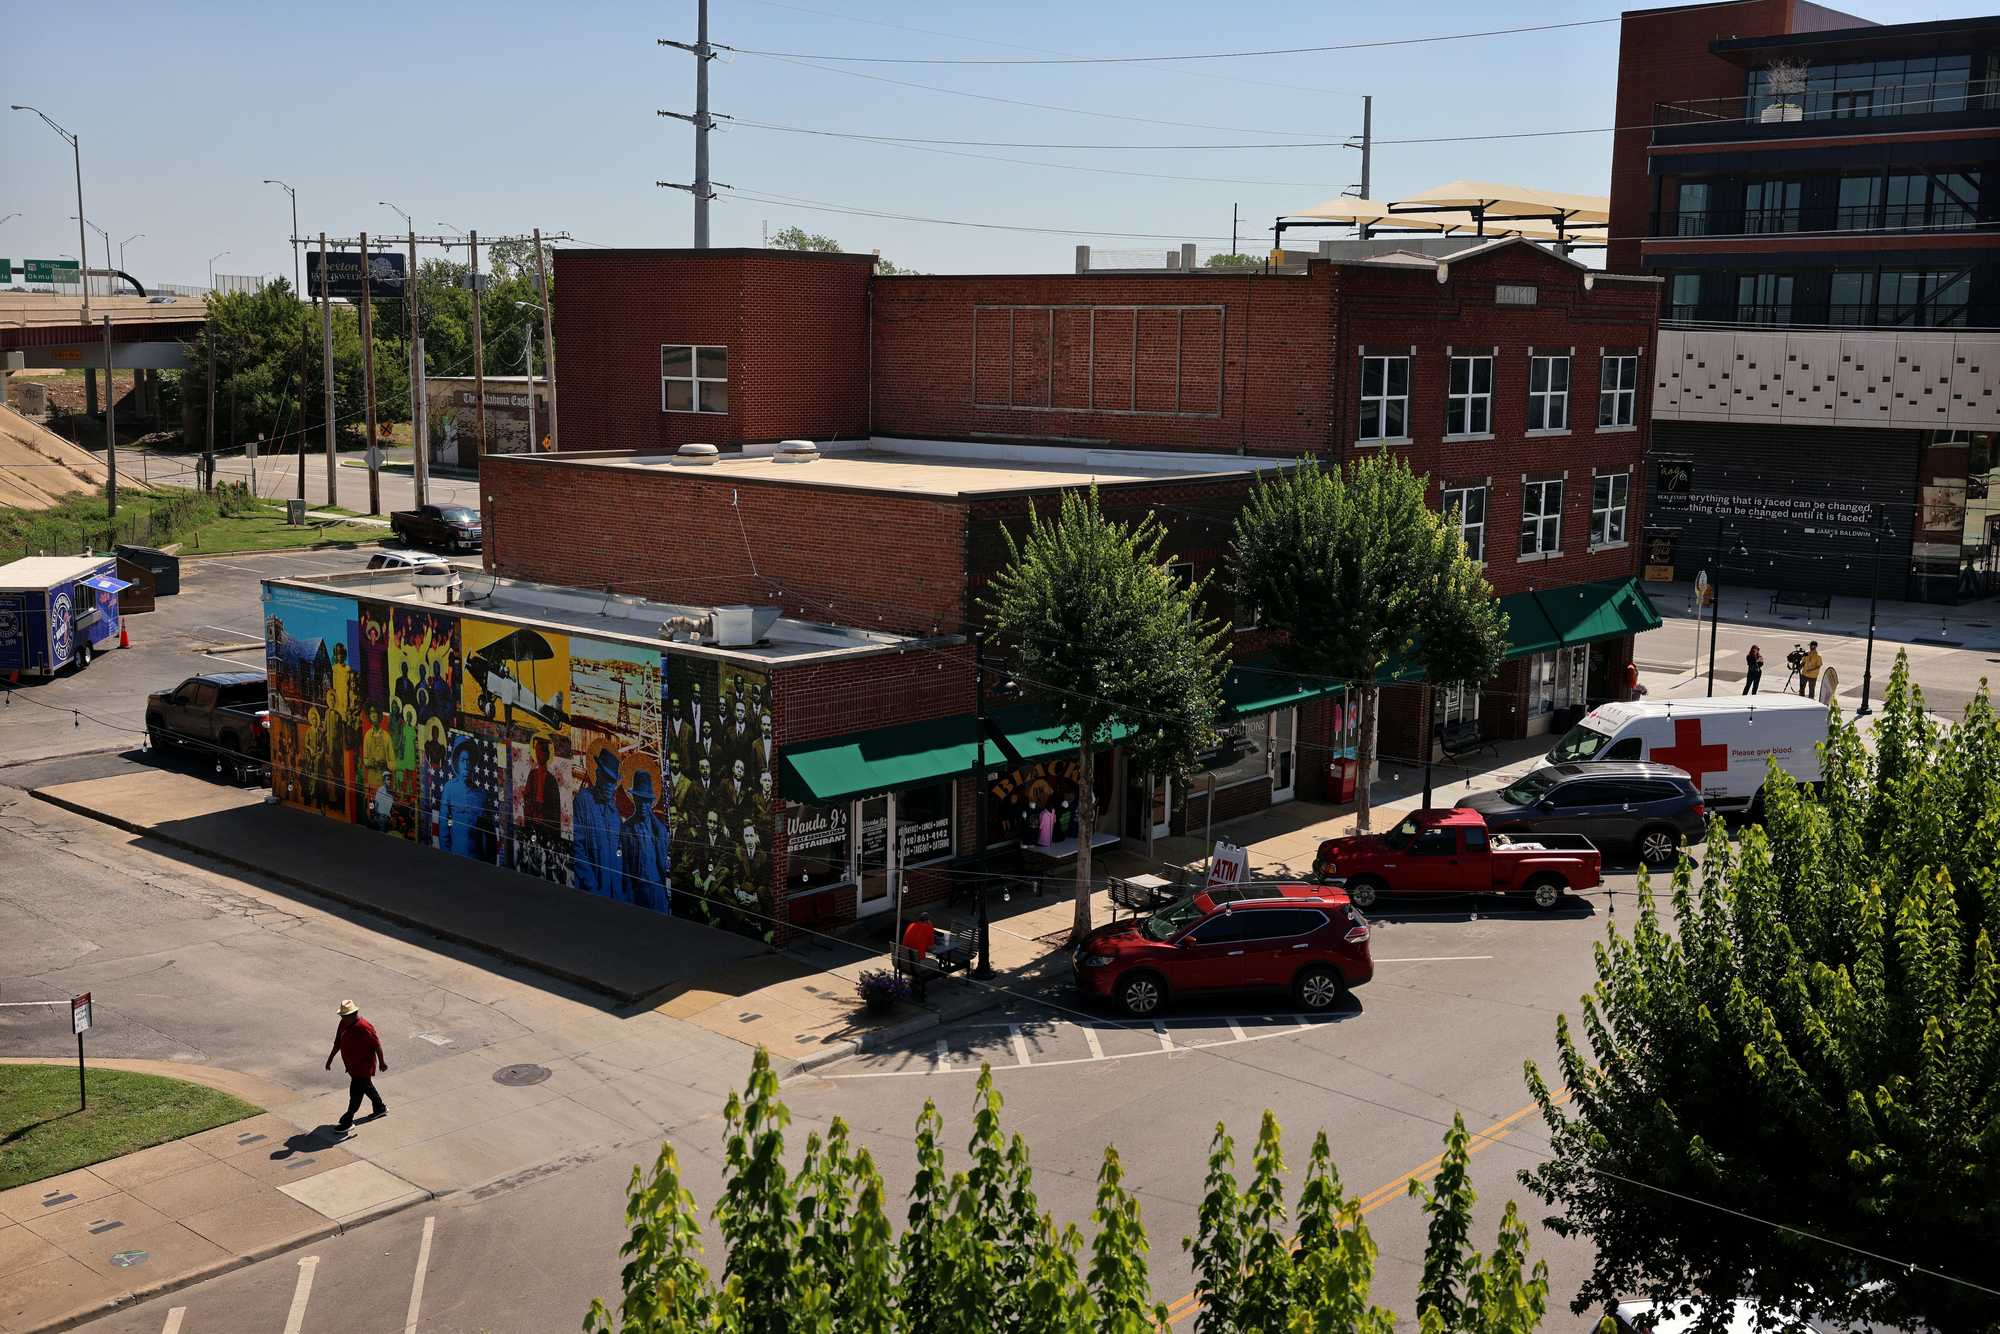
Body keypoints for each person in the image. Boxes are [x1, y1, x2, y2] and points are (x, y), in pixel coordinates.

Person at [324, 998, 388, 1130]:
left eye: (345, 1015)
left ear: (354, 1014)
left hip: (363, 1066)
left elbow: (376, 1045)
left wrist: (382, 1062)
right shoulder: (343, 1024)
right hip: (352, 1065)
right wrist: (330, 1059)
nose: (343, 1018)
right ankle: (380, 1108)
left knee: (355, 1093)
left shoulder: (364, 1027)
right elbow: (338, 1043)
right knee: (366, 1086)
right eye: (342, 1015)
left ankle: (348, 1120)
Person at [571, 747, 624, 896]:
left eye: (612, 781)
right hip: (592, 890)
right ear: (597, 774)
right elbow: (577, 847)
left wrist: (620, 887)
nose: (609, 785)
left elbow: (620, 851)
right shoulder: (583, 800)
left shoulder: (615, 814)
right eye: (606, 778)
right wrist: (591, 885)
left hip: (614, 892)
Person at [621, 769, 671, 912]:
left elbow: (662, 860)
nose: (643, 805)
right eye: (640, 800)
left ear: (651, 802)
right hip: (636, 891)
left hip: (657, 891)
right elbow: (625, 867)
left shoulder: (658, 830)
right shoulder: (626, 829)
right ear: (634, 799)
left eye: (646, 801)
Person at [439, 737, 492, 860]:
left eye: (469, 761)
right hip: (455, 857)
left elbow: (489, 836)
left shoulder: (481, 795)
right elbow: (443, 827)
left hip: (478, 860)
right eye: (463, 760)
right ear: (457, 762)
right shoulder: (449, 789)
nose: (466, 765)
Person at [519, 735, 563, 880]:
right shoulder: (532, 775)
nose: (539, 755)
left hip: (547, 825)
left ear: (547, 754)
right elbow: (526, 796)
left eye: (542, 752)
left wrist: (554, 833)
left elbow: (555, 808)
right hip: (533, 822)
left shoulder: (551, 780)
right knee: (532, 856)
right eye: (537, 751)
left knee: (547, 859)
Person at [900, 912, 938, 1001]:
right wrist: (931, 927)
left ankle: (916, 980)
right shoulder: (928, 928)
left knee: (919, 956)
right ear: (928, 921)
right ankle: (919, 981)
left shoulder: (911, 925)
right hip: (916, 963)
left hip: (903, 961)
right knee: (936, 964)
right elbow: (931, 947)